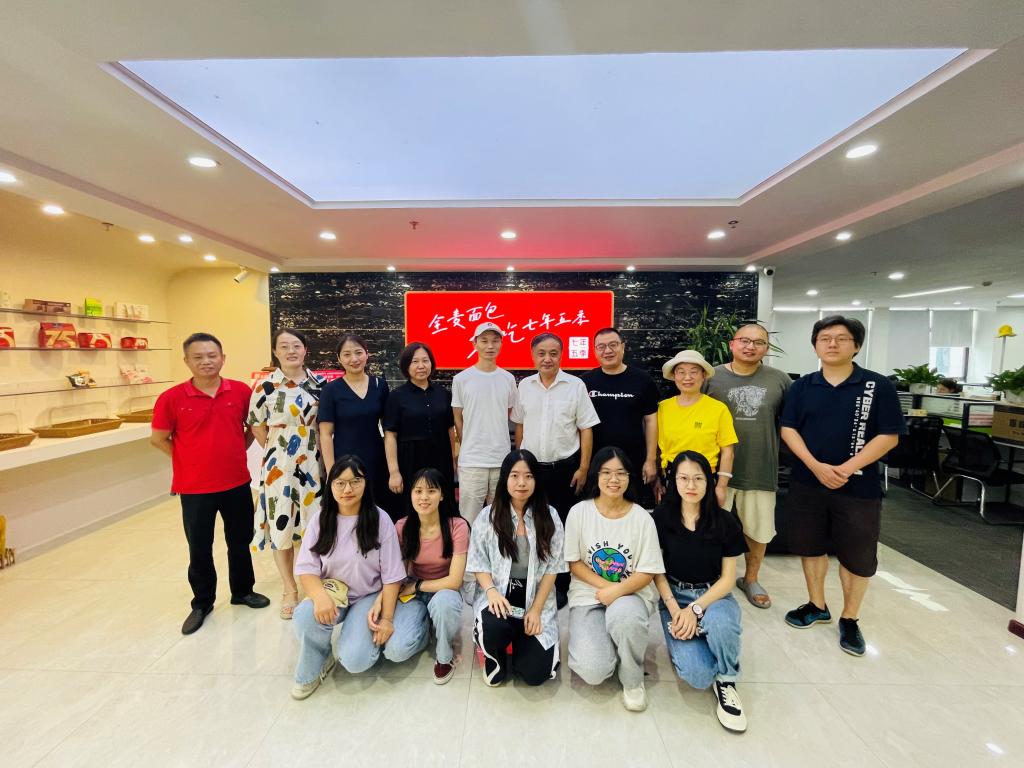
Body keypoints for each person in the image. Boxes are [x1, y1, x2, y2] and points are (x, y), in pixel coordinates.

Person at [780, 315, 906, 656]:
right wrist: (815, 466)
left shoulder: (877, 386)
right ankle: (816, 604)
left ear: (857, 345)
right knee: (810, 546)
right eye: (824, 338)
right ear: (815, 346)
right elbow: (789, 429)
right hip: (808, 481)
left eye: (841, 338)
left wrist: (847, 468)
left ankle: (850, 618)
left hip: (859, 487)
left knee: (857, 554)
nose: (832, 344)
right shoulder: (802, 387)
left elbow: (889, 436)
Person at [151, 332, 270, 635]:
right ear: (187, 361)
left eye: (212, 355)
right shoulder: (171, 398)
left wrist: (239, 447)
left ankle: (242, 591)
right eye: (198, 357)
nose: (206, 361)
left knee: (240, 541)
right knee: (199, 547)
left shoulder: (240, 392)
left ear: (222, 358)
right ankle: (202, 603)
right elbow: (158, 438)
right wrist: (187, 459)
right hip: (194, 488)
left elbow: (253, 425)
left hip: (237, 481)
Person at [290, 455, 409, 700]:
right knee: (304, 615)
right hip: (333, 591)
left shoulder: (380, 519)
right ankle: (320, 659)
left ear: (365, 484)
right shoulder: (320, 519)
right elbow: (306, 568)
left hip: (368, 595)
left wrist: (387, 618)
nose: (348, 489)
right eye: (340, 483)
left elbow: (392, 576)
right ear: (330, 485)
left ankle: (359, 639)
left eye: (355, 481)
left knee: (355, 660)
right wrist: (319, 596)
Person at [563, 446, 665, 712]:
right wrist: (608, 588)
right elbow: (574, 563)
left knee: (625, 617)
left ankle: (632, 679)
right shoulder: (579, 513)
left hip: (631, 595)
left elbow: (648, 571)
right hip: (589, 594)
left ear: (630, 477)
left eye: (621, 473)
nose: (614, 479)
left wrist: (617, 592)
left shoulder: (642, 518)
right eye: (606, 472)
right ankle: (611, 645)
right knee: (593, 670)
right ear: (596, 476)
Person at [653, 451, 748, 732]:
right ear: (674, 481)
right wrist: (677, 611)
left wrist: (696, 610)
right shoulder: (660, 519)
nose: (691, 485)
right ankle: (702, 640)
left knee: (719, 623)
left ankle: (727, 680)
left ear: (709, 481)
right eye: (683, 478)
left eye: (698, 478)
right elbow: (656, 572)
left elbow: (728, 579)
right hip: (674, 597)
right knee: (697, 676)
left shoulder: (725, 521)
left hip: (714, 595)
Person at [703, 323, 790, 609]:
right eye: (744, 340)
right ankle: (712, 578)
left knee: (758, 529)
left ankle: (750, 578)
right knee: (711, 528)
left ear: (766, 348)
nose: (750, 346)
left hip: (760, 468)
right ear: (732, 344)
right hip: (716, 471)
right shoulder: (711, 376)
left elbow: (790, 424)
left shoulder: (779, 380)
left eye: (758, 342)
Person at [513, 332, 600, 602]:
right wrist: (519, 461)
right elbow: (520, 425)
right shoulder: (524, 386)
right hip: (532, 470)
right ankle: (530, 579)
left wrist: (584, 468)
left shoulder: (575, 385)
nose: (547, 358)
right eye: (541, 353)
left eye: (553, 353)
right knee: (530, 524)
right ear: (533, 355)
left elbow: (586, 428)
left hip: (565, 469)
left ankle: (560, 584)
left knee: (561, 527)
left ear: (561, 355)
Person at [466, 449, 566, 686]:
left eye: (528, 476)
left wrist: (536, 610)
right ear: (505, 479)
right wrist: (491, 592)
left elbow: (553, 568)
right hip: (498, 593)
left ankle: (522, 641)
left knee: (535, 674)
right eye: (515, 475)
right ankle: (494, 658)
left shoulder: (550, 516)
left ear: (536, 480)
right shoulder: (487, 516)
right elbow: (478, 562)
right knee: (493, 627)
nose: (522, 483)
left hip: (534, 597)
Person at [248, 328, 326, 619]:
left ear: (305, 349)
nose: (291, 351)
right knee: (281, 525)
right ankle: (289, 588)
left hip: (315, 463)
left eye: (296, 345)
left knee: (316, 523)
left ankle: (314, 583)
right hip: (278, 465)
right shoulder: (265, 386)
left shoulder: (320, 384)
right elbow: (257, 425)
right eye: (284, 346)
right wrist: (280, 451)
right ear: (275, 352)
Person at [391, 467, 469, 684]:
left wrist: (417, 586)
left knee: (444, 605)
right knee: (396, 651)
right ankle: (426, 629)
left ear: (442, 495)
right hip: (413, 590)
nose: (424, 497)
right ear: (411, 495)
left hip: (445, 590)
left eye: (431, 491)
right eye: (418, 491)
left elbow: (455, 580)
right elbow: (397, 570)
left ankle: (445, 657)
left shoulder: (457, 526)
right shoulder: (402, 527)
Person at [318, 333, 397, 517]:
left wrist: (393, 469)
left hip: (376, 459)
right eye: (347, 354)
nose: (354, 359)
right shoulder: (331, 390)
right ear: (339, 358)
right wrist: (332, 472)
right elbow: (325, 434)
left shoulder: (380, 385)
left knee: (376, 510)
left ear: (367, 354)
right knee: (349, 511)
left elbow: (389, 430)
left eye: (358, 352)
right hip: (344, 461)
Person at [581, 327, 661, 508]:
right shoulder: (585, 382)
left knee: (632, 509)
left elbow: (651, 421)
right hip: (596, 463)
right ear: (594, 350)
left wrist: (651, 460)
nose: (607, 351)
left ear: (623, 347)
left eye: (613, 345)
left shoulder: (643, 380)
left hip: (634, 461)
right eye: (601, 346)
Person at [451, 322, 519, 524]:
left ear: (501, 344)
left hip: (501, 459)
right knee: (469, 519)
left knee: (500, 518)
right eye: (484, 341)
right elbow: (458, 418)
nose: (490, 346)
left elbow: (508, 415)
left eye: (495, 341)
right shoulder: (462, 379)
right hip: (472, 462)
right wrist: (468, 444)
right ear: (475, 344)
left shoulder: (508, 379)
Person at [657, 350, 737, 508]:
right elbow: (657, 448)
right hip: (672, 478)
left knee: (704, 521)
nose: (687, 377)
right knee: (672, 521)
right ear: (674, 376)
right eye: (681, 372)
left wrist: (721, 486)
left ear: (703, 375)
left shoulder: (718, 409)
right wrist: (658, 479)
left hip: (705, 478)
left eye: (694, 372)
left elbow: (728, 451)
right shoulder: (663, 407)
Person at [384, 342, 457, 507]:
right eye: (415, 362)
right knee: (412, 505)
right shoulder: (396, 396)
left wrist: (453, 459)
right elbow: (390, 435)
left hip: (441, 458)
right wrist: (394, 472)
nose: (421, 366)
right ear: (406, 366)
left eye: (425, 360)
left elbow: (449, 429)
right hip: (409, 459)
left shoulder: (443, 394)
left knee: (442, 503)